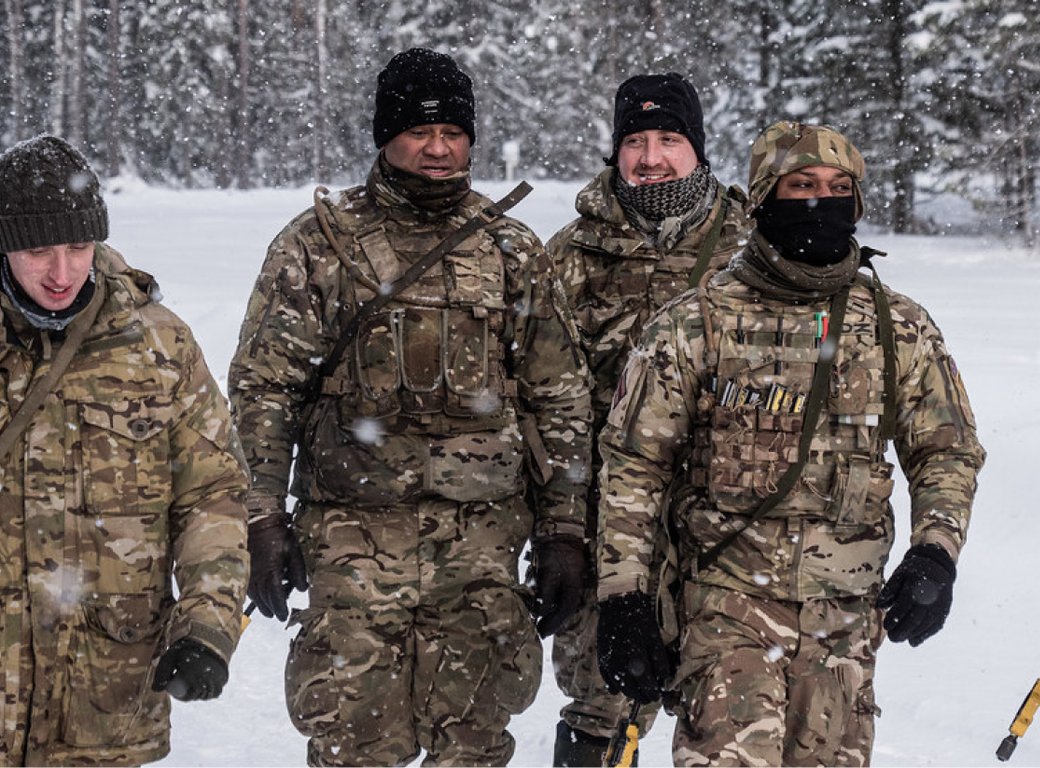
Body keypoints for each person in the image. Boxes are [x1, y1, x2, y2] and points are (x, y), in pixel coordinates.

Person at [228, 48, 593, 766]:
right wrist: (261, 517)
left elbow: (561, 397)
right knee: (353, 743)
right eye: (420, 130)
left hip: (482, 550)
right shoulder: (318, 246)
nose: (437, 147)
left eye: (453, 131)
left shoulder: (512, 251)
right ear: (384, 134)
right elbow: (264, 390)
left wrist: (562, 530)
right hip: (351, 543)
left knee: (476, 744)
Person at [593, 120, 985, 766]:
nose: (820, 201)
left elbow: (946, 448)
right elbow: (635, 465)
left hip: (845, 620)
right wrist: (625, 595)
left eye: (838, 188)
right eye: (801, 185)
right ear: (763, 198)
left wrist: (935, 552)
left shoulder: (897, 325)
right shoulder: (697, 324)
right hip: (724, 610)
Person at [0, 135, 249, 765]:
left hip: (107, 700)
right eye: (37, 250)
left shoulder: (157, 347)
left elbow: (211, 495)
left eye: (77, 247)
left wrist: (207, 624)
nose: (61, 273)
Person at [544, 72, 750, 766]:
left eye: (669, 139)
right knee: (600, 703)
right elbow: (543, 404)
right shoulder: (571, 257)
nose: (651, 157)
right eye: (635, 140)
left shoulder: (752, 247)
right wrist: (560, 531)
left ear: (698, 149)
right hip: (613, 532)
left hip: (729, 534)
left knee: (734, 714)